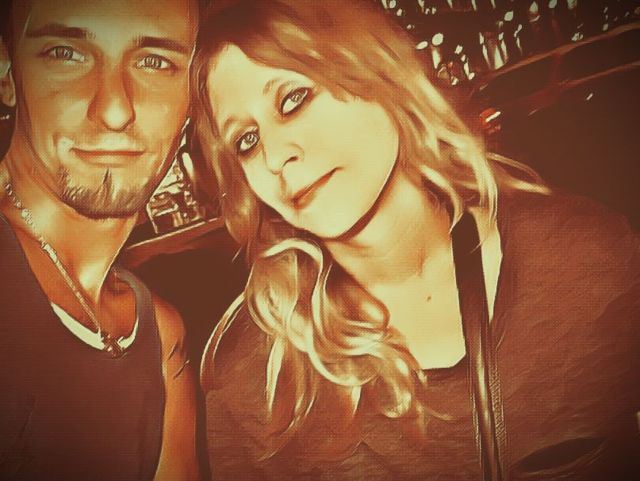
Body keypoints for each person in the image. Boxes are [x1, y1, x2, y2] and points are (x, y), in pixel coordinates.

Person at [194, 1, 640, 480]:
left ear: (376, 69)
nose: (274, 156)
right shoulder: (257, 386)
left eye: (293, 99)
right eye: (246, 141)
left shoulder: (583, 261)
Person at [0, 0, 202, 479]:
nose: (114, 110)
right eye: (65, 53)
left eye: (155, 62)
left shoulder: (160, 334)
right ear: (7, 74)